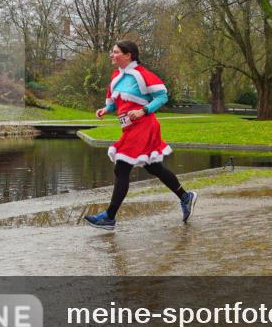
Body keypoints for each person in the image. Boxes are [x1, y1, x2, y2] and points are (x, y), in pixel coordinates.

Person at [83, 40, 197, 231]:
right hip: (129, 128)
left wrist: (144, 110)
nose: (111, 55)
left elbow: (162, 97)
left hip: (144, 125)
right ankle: (186, 197)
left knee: (121, 167)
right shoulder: (116, 78)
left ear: (128, 55)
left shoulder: (142, 75)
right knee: (154, 167)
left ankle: (109, 217)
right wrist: (105, 109)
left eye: (116, 52)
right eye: (112, 52)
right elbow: (115, 104)